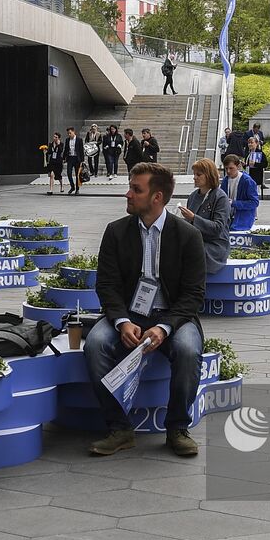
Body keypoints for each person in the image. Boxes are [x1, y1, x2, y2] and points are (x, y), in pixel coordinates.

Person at [86, 163, 205, 456]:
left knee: (188, 350)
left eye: (136, 189)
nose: (128, 194)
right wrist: (122, 322)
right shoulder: (115, 232)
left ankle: (177, 428)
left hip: (173, 316)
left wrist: (164, 328)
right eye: (130, 187)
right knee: (95, 344)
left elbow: (194, 295)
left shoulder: (188, 236)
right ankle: (119, 428)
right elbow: (107, 285)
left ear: (157, 197)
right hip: (128, 314)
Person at [181, 158, 231, 274]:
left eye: (199, 174)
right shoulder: (193, 196)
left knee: (188, 252)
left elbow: (218, 228)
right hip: (196, 241)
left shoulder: (220, 197)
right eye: (194, 174)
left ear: (209, 175)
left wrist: (194, 218)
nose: (195, 177)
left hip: (214, 245)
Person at [223, 154, 260, 230]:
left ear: (238, 166)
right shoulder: (225, 180)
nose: (228, 171)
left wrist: (233, 203)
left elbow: (254, 202)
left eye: (231, 168)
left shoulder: (248, 181)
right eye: (226, 168)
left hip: (243, 218)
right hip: (228, 217)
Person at [65, 127, 84, 195]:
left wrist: (82, 160)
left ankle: (77, 189)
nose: (69, 134)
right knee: (69, 173)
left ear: (74, 132)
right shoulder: (67, 140)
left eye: (70, 133)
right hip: (70, 158)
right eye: (68, 133)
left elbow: (81, 150)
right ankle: (72, 186)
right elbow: (66, 149)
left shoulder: (79, 139)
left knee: (77, 174)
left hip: (77, 159)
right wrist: (64, 158)